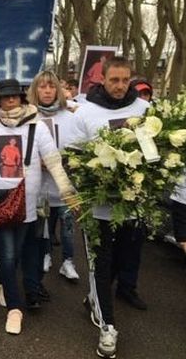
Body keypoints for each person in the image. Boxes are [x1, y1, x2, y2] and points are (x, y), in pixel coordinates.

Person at [0, 78, 76, 335]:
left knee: (15, 254)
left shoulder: (37, 125)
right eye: (5, 96)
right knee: (9, 256)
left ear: (22, 98)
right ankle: (15, 308)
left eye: (15, 95)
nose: (10, 100)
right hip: (0, 202)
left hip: (28, 204)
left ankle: (3, 283)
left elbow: (54, 162)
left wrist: (68, 193)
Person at [73, 56, 150, 359]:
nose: (120, 86)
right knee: (100, 264)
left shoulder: (144, 110)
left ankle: (96, 297)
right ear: (102, 79)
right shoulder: (86, 113)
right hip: (100, 208)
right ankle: (108, 326)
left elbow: (152, 152)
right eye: (114, 80)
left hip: (133, 204)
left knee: (121, 260)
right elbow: (73, 157)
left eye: (125, 80)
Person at [27, 70, 80, 291]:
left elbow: (81, 146)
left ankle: (68, 261)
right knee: (44, 225)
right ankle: (46, 254)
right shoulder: (29, 116)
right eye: (42, 86)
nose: (47, 91)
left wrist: (70, 160)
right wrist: (36, 162)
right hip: (40, 186)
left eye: (51, 86)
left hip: (65, 184)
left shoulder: (71, 115)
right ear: (35, 90)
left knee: (67, 227)